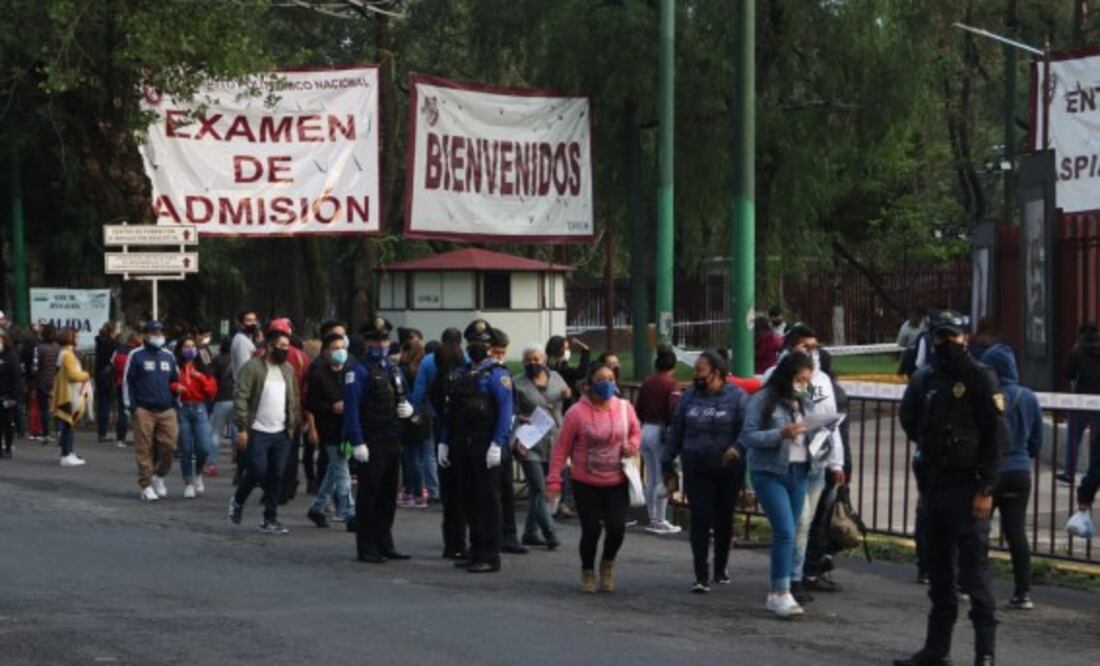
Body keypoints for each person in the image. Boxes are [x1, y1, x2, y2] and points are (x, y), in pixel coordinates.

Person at [896, 311, 1005, 666]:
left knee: (974, 578)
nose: (946, 343)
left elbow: (995, 438)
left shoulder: (980, 377)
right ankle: (935, 650)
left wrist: (986, 488)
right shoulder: (926, 378)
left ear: (965, 337)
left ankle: (984, 653)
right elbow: (910, 420)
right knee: (939, 576)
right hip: (935, 488)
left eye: (952, 336)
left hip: (969, 489)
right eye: (940, 337)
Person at [547, 363, 640, 593]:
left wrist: (632, 446)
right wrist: (553, 480)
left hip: (617, 479)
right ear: (589, 385)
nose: (607, 383)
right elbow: (561, 449)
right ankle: (588, 570)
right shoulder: (576, 413)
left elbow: (636, 432)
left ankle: (607, 564)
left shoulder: (624, 408)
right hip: (585, 480)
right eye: (601, 378)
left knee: (617, 528)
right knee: (591, 530)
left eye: (610, 378)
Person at [771, 325, 847, 603]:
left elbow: (831, 423)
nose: (812, 353)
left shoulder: (823, 381)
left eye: (815, 347)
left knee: (805, 523)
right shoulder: (774, 377)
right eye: (806, 347)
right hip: (788, 462)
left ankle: (796, 574)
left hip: (817, 461)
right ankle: (786, 578)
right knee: (796, 522)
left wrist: (836, 462)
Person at [663, 350, 748, 593]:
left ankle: (721, 566)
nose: (696, 376)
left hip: (727, 467)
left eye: (701, 371)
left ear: (717, 373)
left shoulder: (738, 397)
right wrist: (667, 461)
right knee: (700, 517)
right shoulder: (689, 396)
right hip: (696, 465)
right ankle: (701, 574)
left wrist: (737, 448)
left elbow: (747, 430)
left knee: (724, 518)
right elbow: (676, 429)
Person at [741, 352, 815, 617]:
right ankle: (780, 591)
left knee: (792, 531)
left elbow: (813, 431)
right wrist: (780, 434)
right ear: (787, 376)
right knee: (784, 529)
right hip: (770, 472)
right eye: (799, 379)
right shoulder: (762, 400)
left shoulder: (804, 402)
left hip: (800, 470)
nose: (803, 385)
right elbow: (748, 436)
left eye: (807, 380)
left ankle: (780, 589)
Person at [439, 320, 514, 573]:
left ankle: (490, 554)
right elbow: (451, 411)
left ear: (490, 346)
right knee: (468, 498)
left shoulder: (497, 374)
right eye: (473, 343)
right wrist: (445, 442)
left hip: (485, 441)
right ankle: (475, 548)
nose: (477, 348)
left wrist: (497, 444)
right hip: (462, 441)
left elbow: (505, 412)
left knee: (488, 500)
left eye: (482, 344)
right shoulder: (460, 374)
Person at [342, 317, 415, 563]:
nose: (380, 343)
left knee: (387, 494)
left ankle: (385, 542)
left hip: (392, 437)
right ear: (366, 341)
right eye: (375, 339)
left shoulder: (392, 369)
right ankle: (367, 546)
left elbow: (404, 395)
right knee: (369, 495)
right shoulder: (358, 371)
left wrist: (409, 409)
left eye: (383, 339)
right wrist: (357, 441)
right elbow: (352, 410)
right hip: (371, 439)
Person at [981, 343, 1042, 610]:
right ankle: (1023, 592)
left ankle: (974, 585)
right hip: (1020, 472)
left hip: (992, 473)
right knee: (1016, 532)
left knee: (979, 529)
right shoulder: (1028, 397)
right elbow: (1037, 440)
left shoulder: (987, 396)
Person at [229, 328, 301, 534]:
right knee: (258, 470)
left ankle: (270, 518)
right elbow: (241, 397)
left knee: (277, 474)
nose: (285, 350)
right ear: (269, 346)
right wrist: (242, 428)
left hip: (281, 431)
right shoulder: (253, 368)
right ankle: (238, 500)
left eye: (288, 346)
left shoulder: (288, 369)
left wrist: (294, 422)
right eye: (281, 346)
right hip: (258, 430)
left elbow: (293, 397)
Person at [412, 327, 468, 560]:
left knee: (445, 479)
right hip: (463, 427)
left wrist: (418, 412)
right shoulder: (464, 360)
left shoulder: (428, 361)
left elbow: (418, 392)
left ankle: (450, 542)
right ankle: (462, 541)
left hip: (438, 421)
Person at [512, 343, 568, 550]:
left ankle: (529, 532)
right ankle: (550, 533)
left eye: (536, 359)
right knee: (540, 488)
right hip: (529, 442)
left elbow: (564, 399)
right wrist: (520, 418)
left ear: (544, 361)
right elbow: (510, 410)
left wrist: (566, 395)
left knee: (539, 492)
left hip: (554, 440)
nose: (533, 363)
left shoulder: (556, 377)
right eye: (528, 360)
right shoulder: (517, 383)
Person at [125, 321, 181, 500]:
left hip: (166, 409)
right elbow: (128, 382)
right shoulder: (136, 355)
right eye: (154, 332)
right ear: (146, 334)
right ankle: (146, 485)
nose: (158, 335)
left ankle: (159, 475)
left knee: (170, 445)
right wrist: (131, 406)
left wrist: (176, 402)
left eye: (160, 331)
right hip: (144, 409)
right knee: (144, 448)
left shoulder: (169, 356)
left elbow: (176, 381)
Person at [305, 333, 356, 527]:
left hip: (348, 429)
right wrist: (330, 407)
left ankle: (317, 508)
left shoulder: (350, 371)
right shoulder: (319, 374)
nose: (340, 351)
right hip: (330, 429)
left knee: (335, 470)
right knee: (342, 470)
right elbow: (310, 403)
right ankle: (349, 512)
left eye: (342, 347)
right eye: (335, 348)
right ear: (326, 351)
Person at [633, 343, 682, 534]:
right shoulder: (672, 385)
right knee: (665, 476)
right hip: (662, 433)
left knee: (651, 477)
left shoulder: (647, 382)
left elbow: (638, 408)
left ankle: (652, 517)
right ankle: (661, 519)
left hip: (645, 430)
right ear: (673, 366)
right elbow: (673, 410)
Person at [487, 329, 528, 555]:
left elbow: (509, 407)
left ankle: (508, 534)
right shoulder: (480, 373)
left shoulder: (503, 373)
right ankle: (493, 535)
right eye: (496, 351)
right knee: (492, 493)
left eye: (503, 352)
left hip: (503, 440)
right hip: (488, 439)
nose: (499, 356)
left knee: (505, 489)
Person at [175, 336, 217, 499]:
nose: (190, 349)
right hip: (182, 408)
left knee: (203, 447)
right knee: (185, 448)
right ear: (180, 349)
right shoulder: (176, 367)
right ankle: (188, 483)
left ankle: (198, 473)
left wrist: (200, 378)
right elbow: (169, 383)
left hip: (199, 408)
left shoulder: (203, 367)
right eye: (186, 346)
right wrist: (175, 386)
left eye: (192, 346)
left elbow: (212, 391)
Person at [398, 338, 436, 509]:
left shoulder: (403, 371)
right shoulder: (426, 367)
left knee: (411, 456)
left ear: (406, 352)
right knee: (428, 456)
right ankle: (430, 490)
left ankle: (416, 491)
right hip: (425, 416)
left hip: (409, 416)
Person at [1063, 323, 1100, 483]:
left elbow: (1069, 374)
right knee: (1097, 440)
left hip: (1081, 400)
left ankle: (1069, 473)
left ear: (1081, 335)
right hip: (1099, 401)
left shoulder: (1078, 351)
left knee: (1074, 439)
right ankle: (1095, 474)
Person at [49, 328, 90, 467]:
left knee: (68, 425)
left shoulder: (64, 353)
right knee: (68, 425)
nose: (78, 339)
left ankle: (68, 453)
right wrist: (86, 375)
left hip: (65, 393)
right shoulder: (68, 355)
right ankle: (67, 454)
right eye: (76, 336)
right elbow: (73, 375)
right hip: (68, 394)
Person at [208, 339, 235, 475]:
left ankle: (212, 464)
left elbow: (211, 378)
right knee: (237, 431)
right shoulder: (239, 359)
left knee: (215, 432)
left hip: (221, 398)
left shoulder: (217, 360)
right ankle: (238, 458)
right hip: (237, 398)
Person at [31, 324, 61, 441]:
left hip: (42, 381)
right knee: (58, 408)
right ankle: (59, 431)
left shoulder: (38, 348)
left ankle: (46, 433)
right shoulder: (59, 349)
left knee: (44, 409)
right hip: (56, 381)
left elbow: (34, 367)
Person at [545, 334, 590, 408]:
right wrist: (585, 352)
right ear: (557, 350)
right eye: (565, 349)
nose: (568, 351)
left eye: (568, 348)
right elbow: (581, 373)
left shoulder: (549, 364)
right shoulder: (561, 367)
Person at [0, 327, 25, 458]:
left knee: (7, 423)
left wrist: (13, 398)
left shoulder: (11, 357)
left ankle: (8, 448)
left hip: (6, 396)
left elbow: (16, 379)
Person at [94, 322, 119, 443]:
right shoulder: (114, 344)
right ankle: (103, 432)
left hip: (99, 372)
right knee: (106, 402)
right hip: (108, 374)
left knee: (102, 401)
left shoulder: (100, 341)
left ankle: (101, 431)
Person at [230, 309, 259, 383]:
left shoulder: (247, 339)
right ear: (241, 323)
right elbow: (244, 368)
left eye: (254, 320)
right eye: (249, 320)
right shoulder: (241, 341)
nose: (253, 323)